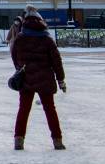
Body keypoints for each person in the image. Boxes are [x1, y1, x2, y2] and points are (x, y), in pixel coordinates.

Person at [10, 11, 67, 150]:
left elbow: (14, 55)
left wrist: (20, 68)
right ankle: (57, 140)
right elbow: (56, 61)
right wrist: (61, 79)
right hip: (45, 79)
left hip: (26, 78)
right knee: (50, 110)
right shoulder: (47, 39)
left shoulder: (20, 38)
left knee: (23, 109)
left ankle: (19, 140)